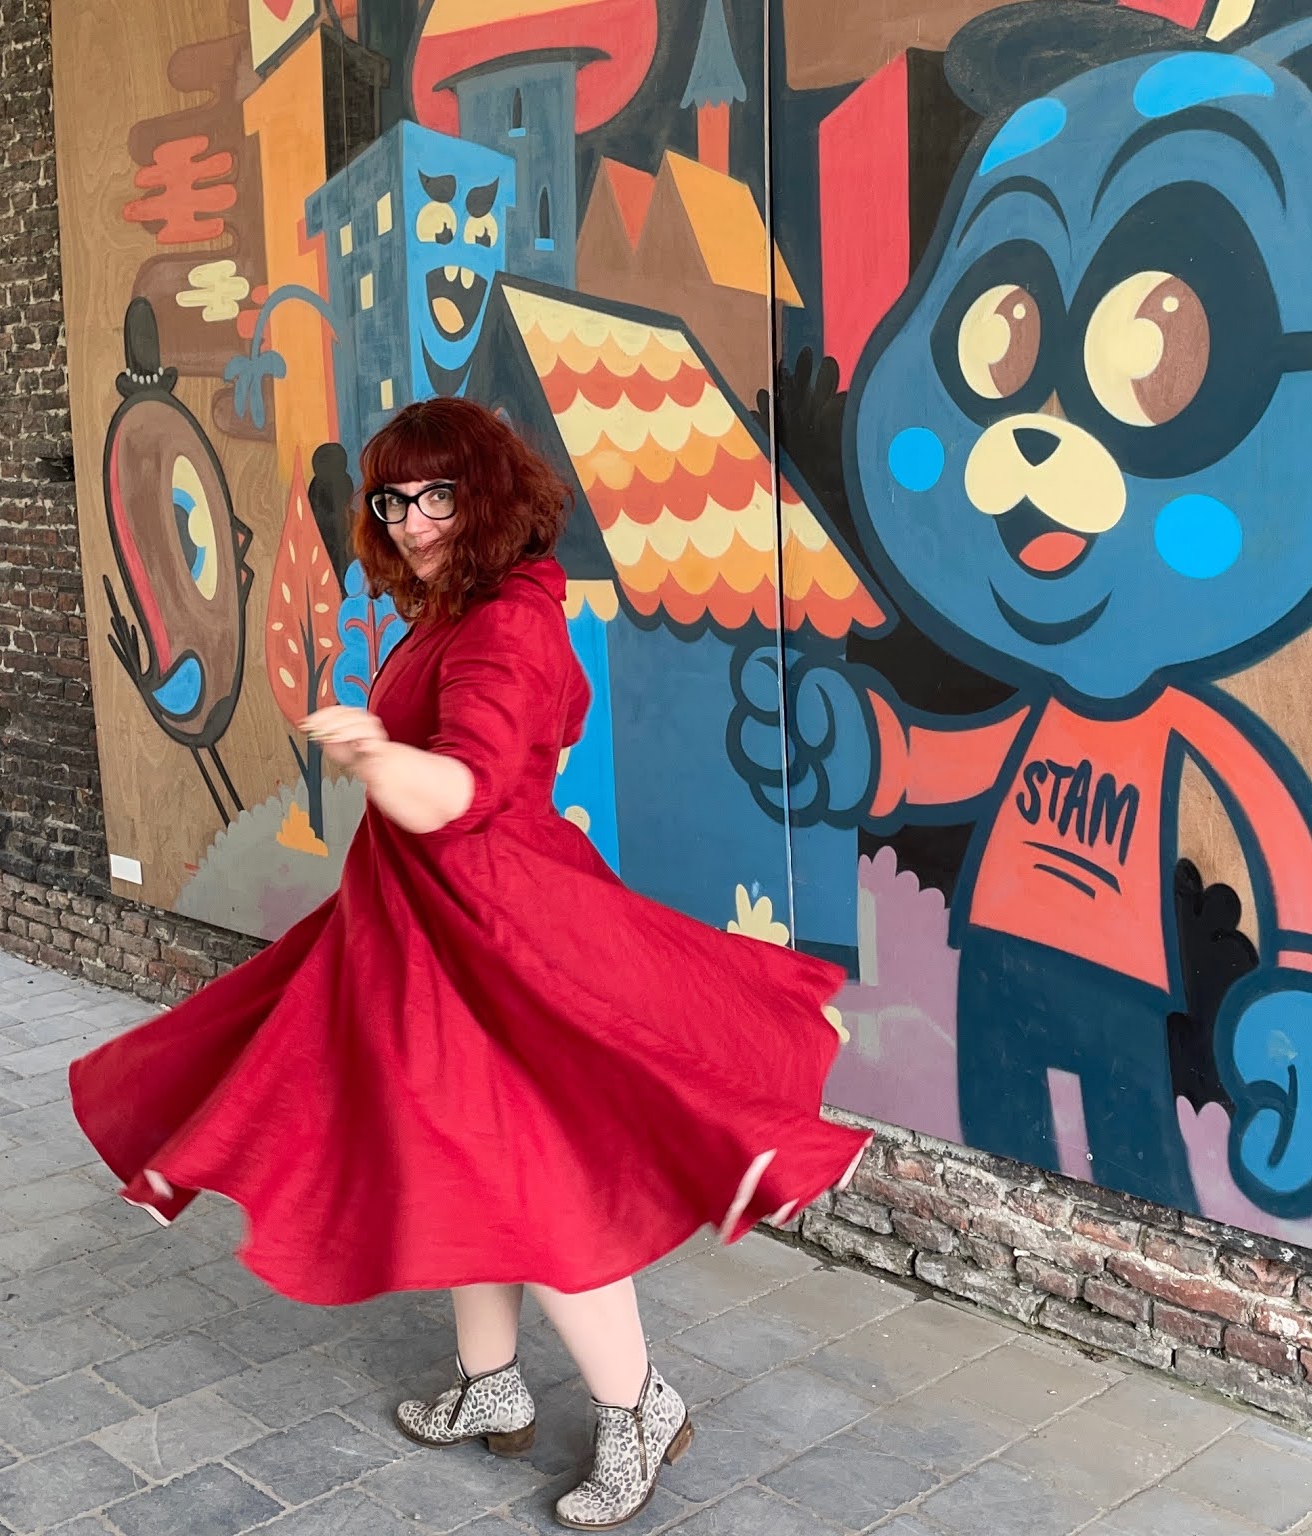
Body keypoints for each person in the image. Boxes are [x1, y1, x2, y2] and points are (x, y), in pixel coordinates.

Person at [69, 396, 870, 1531]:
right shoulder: (463, 609)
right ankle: (490, 1385)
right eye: (393, 500)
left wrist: (371, 751)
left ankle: (641, 1409)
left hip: (494, 936)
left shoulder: (504, 626)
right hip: (425, 929)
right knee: (456, 1153)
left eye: (436, 495)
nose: (411, 521)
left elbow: (458, 790)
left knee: (535, 1181)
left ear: (487, 498)